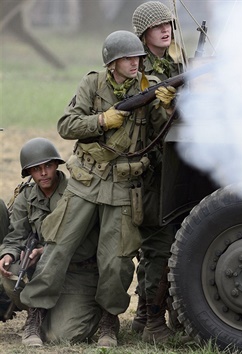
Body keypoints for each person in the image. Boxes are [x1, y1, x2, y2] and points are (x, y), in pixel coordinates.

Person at [19, 30, 176, 348]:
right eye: (128, 59)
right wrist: (102, 121)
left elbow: (158, 137)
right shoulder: (92, 84)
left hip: (123, 187)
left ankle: (109, 321)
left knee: (116, 260)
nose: (135, 63)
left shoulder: (146, 87)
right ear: (113, 62)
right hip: (85, 181)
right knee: (58, 247)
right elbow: (67, 125)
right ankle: (33, 319)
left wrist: (166, 108)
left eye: (138, 58)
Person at [0, 138, 101, 346]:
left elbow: (88, 242)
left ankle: (98, 311)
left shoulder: (76, 195)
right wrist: (8, 253)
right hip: (41, 273)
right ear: (29, 173)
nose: (43, 173)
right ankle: (37, 315)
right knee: (11, 272)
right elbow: (15, 235)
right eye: (36, 169)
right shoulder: (26, 197)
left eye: (48, 166)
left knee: (61, 337)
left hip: (77, 272)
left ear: (56, 165)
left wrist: (46, 250)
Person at [130, 1, 185, 343]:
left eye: (168, 24)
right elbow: (147, 126)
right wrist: (165, 105)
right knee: (157, 247)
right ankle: (152, 321)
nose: (165, 30)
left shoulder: (176, 65)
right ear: (143, 34)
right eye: (157, 26)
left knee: (164, 244)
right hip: (150, 170)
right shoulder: (137, 71)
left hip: (174, 167)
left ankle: (143, 315)